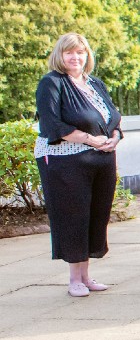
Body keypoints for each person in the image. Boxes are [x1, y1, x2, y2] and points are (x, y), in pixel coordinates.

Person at [34, 33, 122, 298]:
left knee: (96, 215)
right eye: (69, 53)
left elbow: (113, 117)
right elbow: (52, 125)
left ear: (88, 56)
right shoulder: (52, 83)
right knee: (74, 217)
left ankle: (85, 275)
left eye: (81, 53)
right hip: (65, 161)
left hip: (101, 159)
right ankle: (74, 279)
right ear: (59, 56)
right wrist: (90, 140)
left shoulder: (95, 83)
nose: (76, 58)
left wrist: (115, 137)